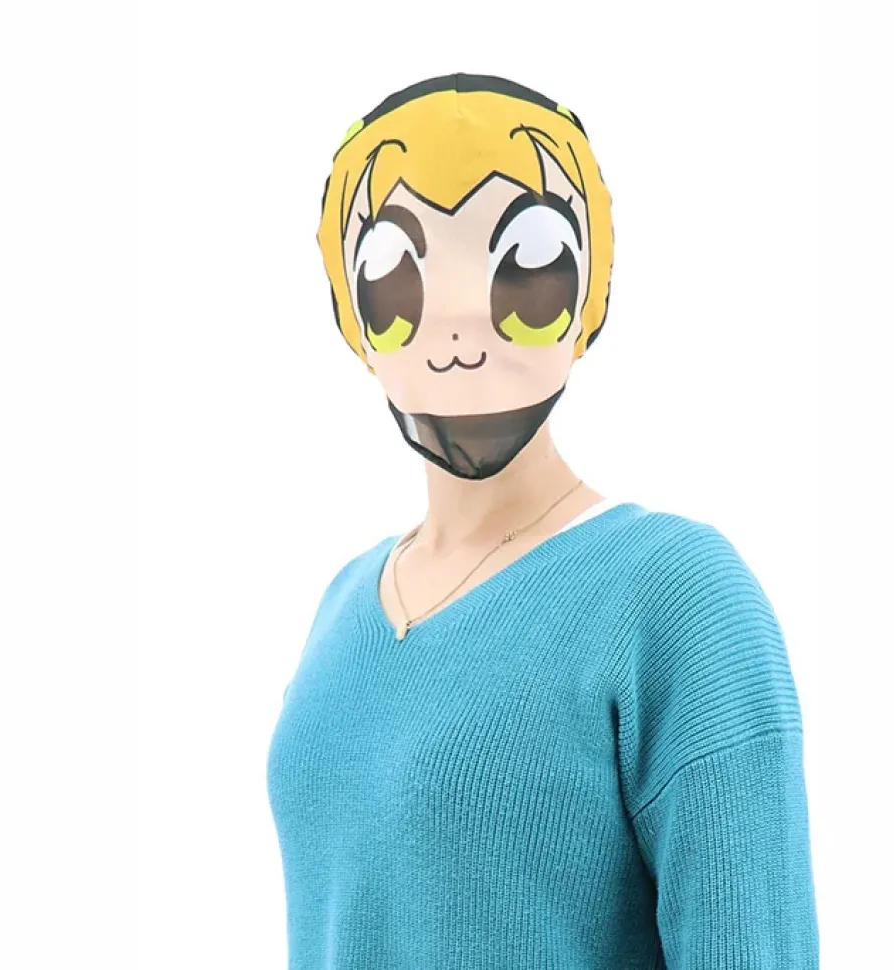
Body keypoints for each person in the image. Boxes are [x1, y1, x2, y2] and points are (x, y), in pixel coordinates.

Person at [266, 72, 819, 969]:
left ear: (589, 296)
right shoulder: (344, 601)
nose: (458, 329)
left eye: (526, 261)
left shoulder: (676, 597)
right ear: (350, 311)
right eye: (396, 271)